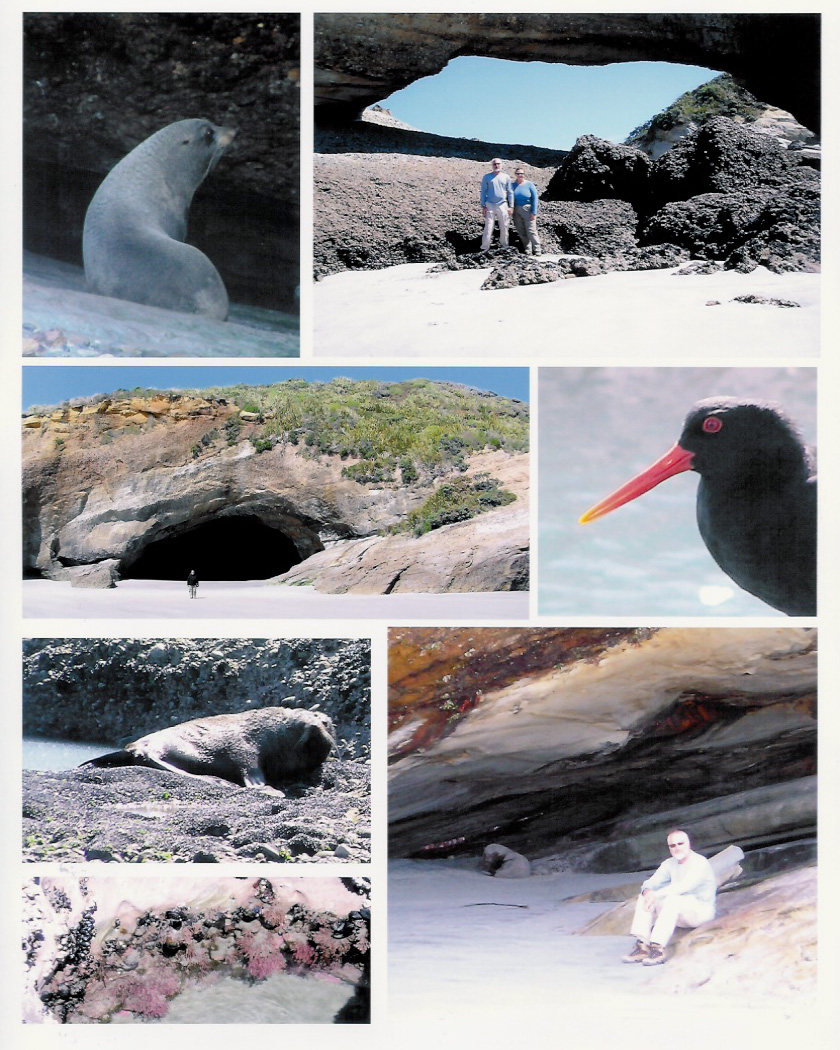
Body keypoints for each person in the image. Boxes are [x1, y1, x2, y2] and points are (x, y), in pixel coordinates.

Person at [622, 829, 716, 966]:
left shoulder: (700, 863)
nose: (677, 848)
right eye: (673, 845)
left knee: (672, 899)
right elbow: (652, 882)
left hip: (700, 913)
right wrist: (647, 891)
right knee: (644, 898)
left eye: (680, 843)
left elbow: (684, 886)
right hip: (679, 913)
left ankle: (658, 949)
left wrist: (655, 894)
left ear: (688, 843)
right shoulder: (669, 864)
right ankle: (642, 946)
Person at [480, 158, 514, 251]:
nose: (496, 165)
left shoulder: (506, 177)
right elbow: (483, 192)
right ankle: (484, 248)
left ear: (501, 165)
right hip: (489, 204)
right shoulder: (486, 177)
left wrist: (511, 206)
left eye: (498, 164)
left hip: (503, 204)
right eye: (494, 164)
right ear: (492, 165)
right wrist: (483, 205)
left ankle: (505, 247)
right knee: (488, 227)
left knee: (504, 226)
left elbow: (510, 192)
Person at [511, 167, 542, 255]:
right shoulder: (512, 185)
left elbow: (535, 198)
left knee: (531, 230)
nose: (520, 175)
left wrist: (534, 212)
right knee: (521, 230)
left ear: (524, 174)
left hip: (527, 209)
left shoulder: (529, 184)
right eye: (518, 174)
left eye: (521, 173)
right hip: (516, 209)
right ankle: (527, 249)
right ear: (515, 175)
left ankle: (537, 249)